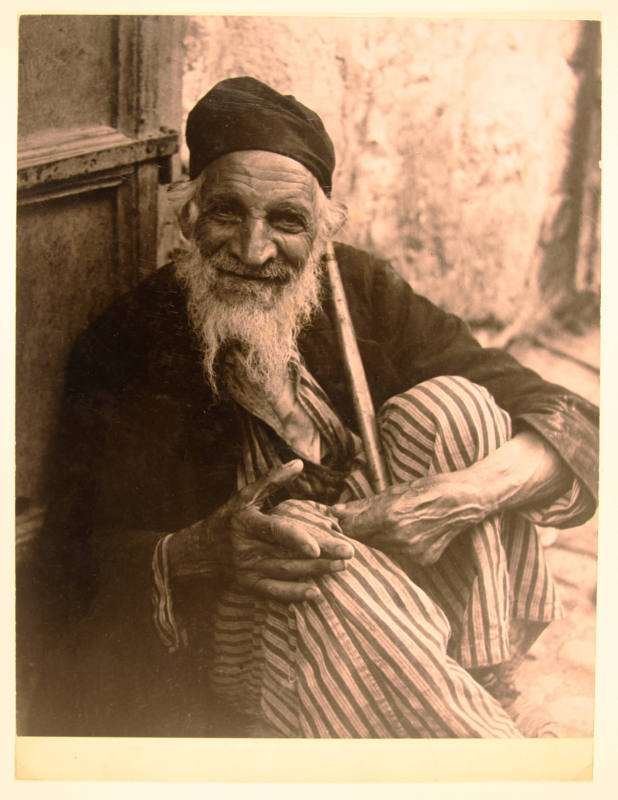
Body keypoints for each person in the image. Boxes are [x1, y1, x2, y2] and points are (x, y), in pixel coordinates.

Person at [27, 77, 598, 738]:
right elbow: (65, 566)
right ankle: (483, 752)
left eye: (287, 220)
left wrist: (453, 498)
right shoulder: (127, 343)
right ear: (187, 217)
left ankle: (480, 678)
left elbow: (574, 420)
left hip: (375, 561)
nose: (253, 248)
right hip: (243, 619)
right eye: (226, 212)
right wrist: (202, 550)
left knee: (457, 409)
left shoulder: (355, 285)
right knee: (320, 559)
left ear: (324, 231)